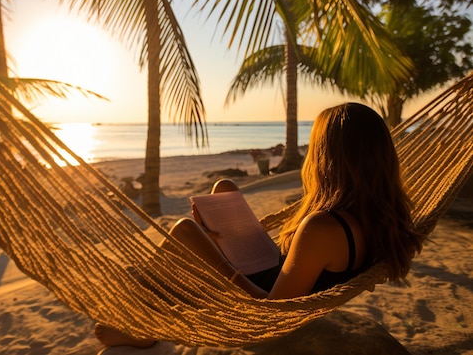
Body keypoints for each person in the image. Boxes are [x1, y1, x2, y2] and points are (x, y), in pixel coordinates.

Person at [94, 102, 424, 349]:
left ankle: (139, 323)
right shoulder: (381, 214)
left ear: (327, 158)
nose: (308, 155)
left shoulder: (323, 227)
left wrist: (223, 266)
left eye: (314, 147)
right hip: (277, 272)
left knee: (184, 232)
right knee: (224, 189)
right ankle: (150, 296)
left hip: (262, 298)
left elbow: (270, 312)